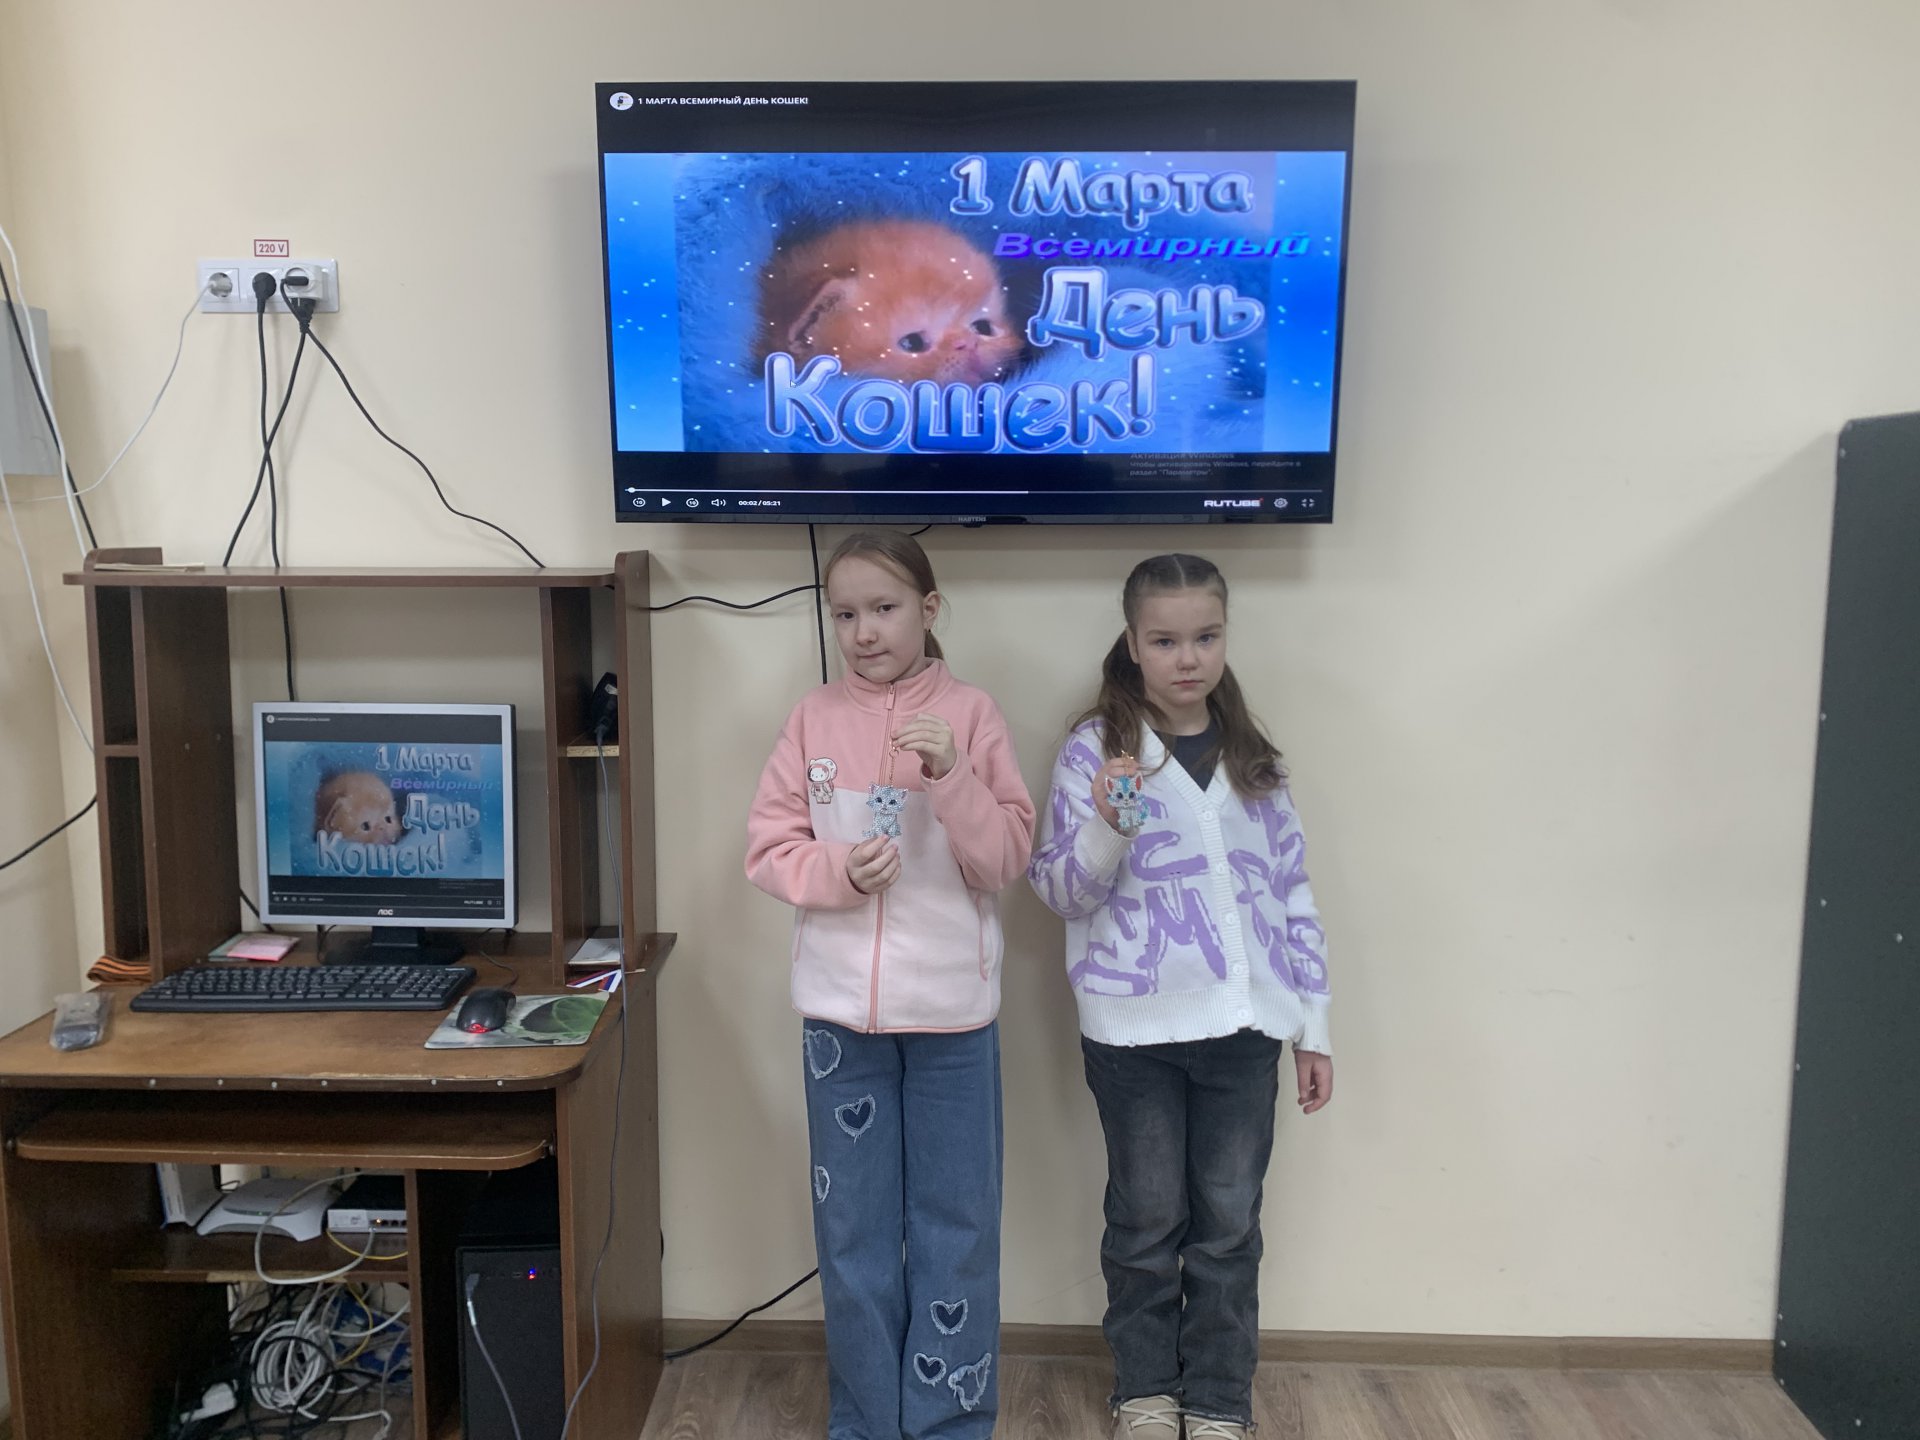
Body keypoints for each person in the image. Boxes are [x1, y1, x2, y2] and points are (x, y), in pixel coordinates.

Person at [1028, 553, 1335, 1440]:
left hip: (1244, 1031)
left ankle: (1218, 1398)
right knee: (1146, 1221)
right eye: (1164, 640)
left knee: (1229, 1226)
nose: (1187, 657)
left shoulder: (1252, 759)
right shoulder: (1097, 751)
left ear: (1225, 637)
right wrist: (1106, 825)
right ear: (1132, 643)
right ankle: (1146, 1391)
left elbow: (1293, 894)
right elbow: (1061, 893)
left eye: (1206, 636)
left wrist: (1313, 1026)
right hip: (1132, 1039)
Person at [746, 530, 1035, 1439]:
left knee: (959, 1228)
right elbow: (768, 848)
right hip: (840, 1024)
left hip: (954, 1021)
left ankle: (950, 1423)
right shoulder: (811, 719)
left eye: (884, 608)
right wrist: (838, 872)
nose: (864, 631)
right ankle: (867, 1422)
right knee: (853, 1234)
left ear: (929, 609)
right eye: (845, 614)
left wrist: (952, 775)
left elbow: (1005, 860)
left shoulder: (973, 715)